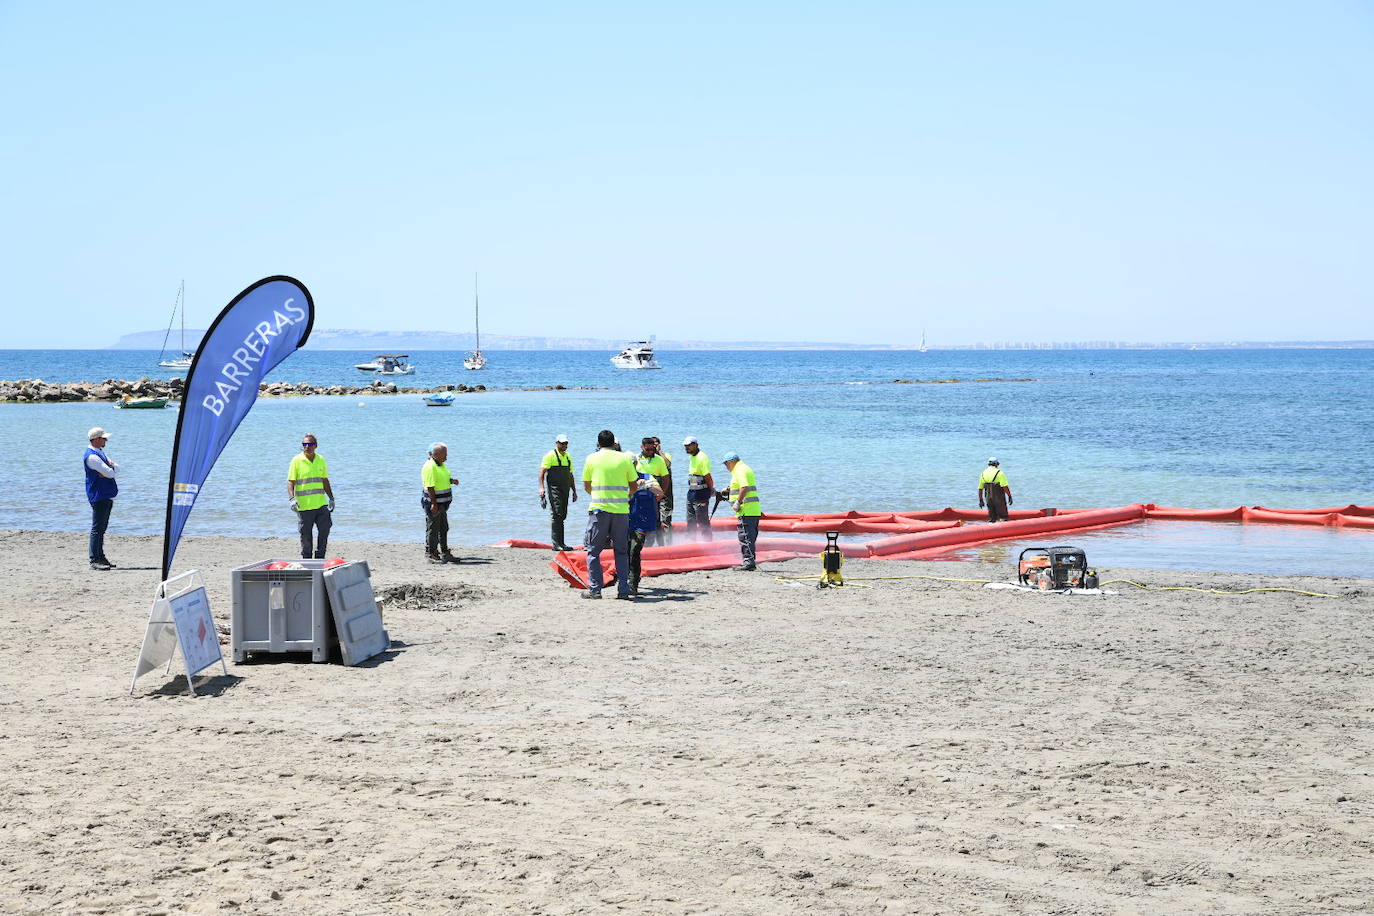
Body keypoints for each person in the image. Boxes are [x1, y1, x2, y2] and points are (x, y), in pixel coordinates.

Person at [581, 429, 638, 599]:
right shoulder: (625, 458)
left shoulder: (591, 458)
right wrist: (626, 496)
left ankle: (595, 590)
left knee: (593, 552)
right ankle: (623, 590)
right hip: (621, 511)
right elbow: (633, 485)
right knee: (621, 551)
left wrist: (598, 496)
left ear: (598, 444)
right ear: (614, 444)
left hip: (599, 510)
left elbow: (586, 484)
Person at [287, 433, 334, 559]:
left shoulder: (321, 460)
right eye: (304, 444)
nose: (307, 447)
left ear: (316, 446)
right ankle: (307, 560)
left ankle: (320, 558)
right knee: (306, 536)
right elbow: (291, 481)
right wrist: (292, 499)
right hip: (304, 507)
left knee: (325, 530)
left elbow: (325, 480)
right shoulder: (296, 460)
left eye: (310, 444)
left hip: (321, 504)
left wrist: (331, 498)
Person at [84, 427, 119, 570]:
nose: (106, 440)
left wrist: (111, 469)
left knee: (101, 528)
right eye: (104, 438)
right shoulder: (92, 457)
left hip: (104, 494)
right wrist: (110, 469)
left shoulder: (99, 453)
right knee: (97, 529)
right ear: (96, 439)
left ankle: (100, 557)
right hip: (98, 495)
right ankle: (94, 559)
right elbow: (111, 473)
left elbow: (116, 468)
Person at [720, 452, 761, 570]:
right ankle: (750, 561)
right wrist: (729, 489)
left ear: (731, 461)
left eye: (726, 464)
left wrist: (738, 502)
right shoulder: (744, 468)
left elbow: (744, 487)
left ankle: (749, 562)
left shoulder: (740, 470)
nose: (726, 467)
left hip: (746, 510)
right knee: (750, 537)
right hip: (752, 510)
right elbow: (740, 486)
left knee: (745, 537)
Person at [626, 468, 663, 597]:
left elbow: (660, 493)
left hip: (641, 522)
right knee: (624, 551)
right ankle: (624, 579)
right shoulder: (620, 477)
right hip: (623, 520)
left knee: (634, 550)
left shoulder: (647, 476)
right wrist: (632, 489)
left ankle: (632, 584)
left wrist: (646, 486)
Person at [538, 434, 577, 550]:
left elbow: (570, 475)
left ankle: (562, 543)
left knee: (563, 515)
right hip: (554, 488)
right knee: (557, 513)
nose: (564, 445)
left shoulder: (568, 456)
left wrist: (574, 491)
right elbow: (541, 473)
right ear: (557, 443)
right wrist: (541, 488)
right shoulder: (550, 456)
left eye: (566, 443)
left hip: (565, 489)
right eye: (562, 443)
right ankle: (556, 544)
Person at [422, 442, 459, 563]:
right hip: (434, 504)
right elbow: (430, 486)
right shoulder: (430, 466)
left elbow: (441, 479)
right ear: (436, 454)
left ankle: (444, 552)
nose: (446, 457)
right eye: (444, 454)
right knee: (433, 528)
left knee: (444, 528)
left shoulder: (441, 465)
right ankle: (431, 553)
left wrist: (451, 481)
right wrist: (434, 504)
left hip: (442, 504)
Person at [682, 436, 714, 541]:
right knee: (690, 520)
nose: (687, 448)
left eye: (689, 446)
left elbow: (707, 476)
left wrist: (711, 489)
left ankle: (708, 542)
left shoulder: (702, 457)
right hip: (691, 493)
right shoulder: (692, 457)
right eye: (685, 446)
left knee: (702, 521)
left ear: (695, 445)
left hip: (701, 494)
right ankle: (691, 541)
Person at [651, 436, 674, 546]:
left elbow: (668, 464)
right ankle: (659, 545)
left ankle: (669, 545)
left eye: (657, 443)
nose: (655, 445)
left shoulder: (665, 456)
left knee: (666, 519)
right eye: (653, 443)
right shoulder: (648, 459)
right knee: (654, 521)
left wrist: (659, 451)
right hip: (653, 493)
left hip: (666, 493)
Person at [978, 458, 1013, 522]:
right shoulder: (1000, 473)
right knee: (1003, 517)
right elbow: (1005, 487)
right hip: (999, 499)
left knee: (992, 518)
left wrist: (981, 500)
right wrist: (1009, 496)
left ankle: (991, 530)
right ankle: (1004, 531)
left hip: (988, 498)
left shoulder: (983, 473)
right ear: (996, 464)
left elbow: (980, 489)